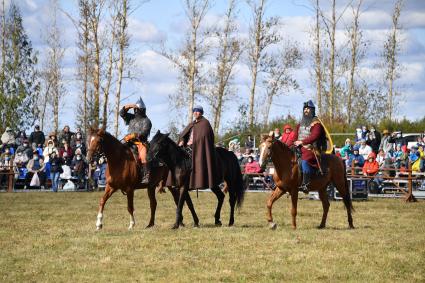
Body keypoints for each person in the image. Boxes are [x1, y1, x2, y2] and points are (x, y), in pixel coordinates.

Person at [178, 105, 220, 189]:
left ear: (201, 113)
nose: (195, 113)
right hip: (188, 147)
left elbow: (206, 137)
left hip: (199, 149)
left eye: (198, 111)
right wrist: (182, 140)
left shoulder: (205, 123)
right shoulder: (192, 123)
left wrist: (197, 143)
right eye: (194, 111)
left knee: (196, 161)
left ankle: (194, 181)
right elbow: (184, 134)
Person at [293, 100, 327, 193]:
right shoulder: (300, 124)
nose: (306, 110)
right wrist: (292, 143)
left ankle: (306, 184)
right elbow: (294, 135)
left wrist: (302, 142)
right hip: (299, 147)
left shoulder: (316, 123)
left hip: (312, 149)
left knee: (305, 159)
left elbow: (314, 136)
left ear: (312, 110)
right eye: (305, 109)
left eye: (308, 109)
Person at [120, 97, 152, 183]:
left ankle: (146, 175)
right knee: (117, 149)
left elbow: (144, 133)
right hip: (128, 141)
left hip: (140, 143)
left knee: (143, 156)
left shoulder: (147, 121)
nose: (136, 111)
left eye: (137, 109)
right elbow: (122, 113)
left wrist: (134, 135)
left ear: (141, 110)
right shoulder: (131, 117)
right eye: (135, 109)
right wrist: (130, 106)